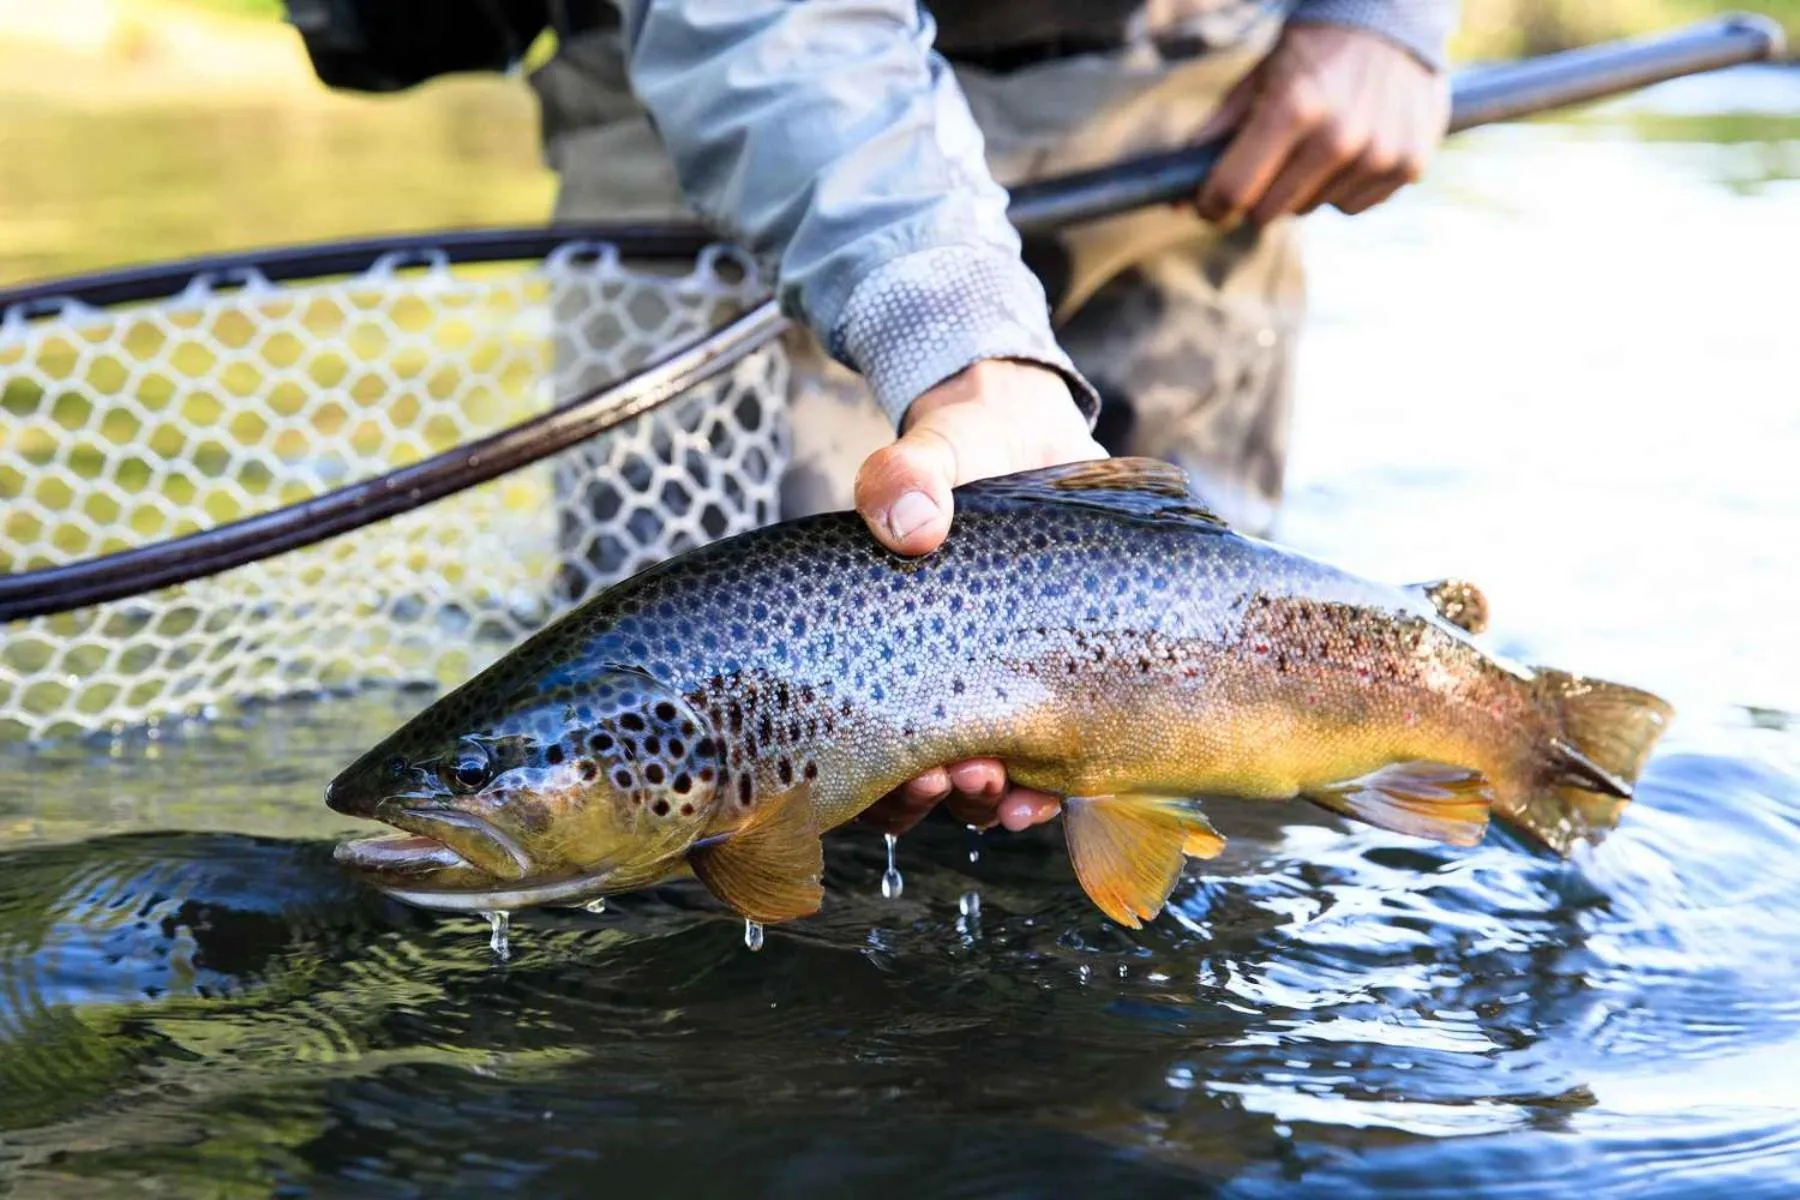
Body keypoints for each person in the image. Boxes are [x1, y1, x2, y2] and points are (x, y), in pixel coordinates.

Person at [291, 0, 1456, 835]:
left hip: (1188, 86)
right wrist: (965, 347)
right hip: (719, 93)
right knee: (716, 853)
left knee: (1225, 754)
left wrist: (1385, 16)